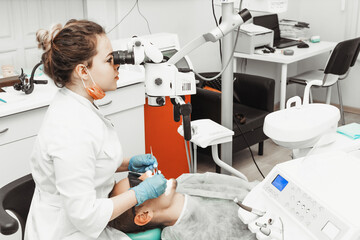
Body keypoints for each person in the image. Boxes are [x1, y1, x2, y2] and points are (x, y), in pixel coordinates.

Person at [25, 19, 167, 240]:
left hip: (85, 222)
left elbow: (90, 158)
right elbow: (86, 216)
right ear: (83, 71)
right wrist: (139, 194)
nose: (118, 64)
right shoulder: (70, 130)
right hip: (66, 232)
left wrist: (127, 163)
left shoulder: (78, 102)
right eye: (110, 60)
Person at [109, 171, 258, 240]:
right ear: (144, 216)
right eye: (139, 184)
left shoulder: (186, 180)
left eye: (135, 175)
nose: (148, 174)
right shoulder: (177, 235)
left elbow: (249, 187)